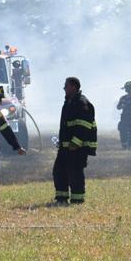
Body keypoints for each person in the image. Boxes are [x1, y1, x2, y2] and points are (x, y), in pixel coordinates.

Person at [54, 77, 98, 205]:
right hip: (65, 147)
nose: (64, 88)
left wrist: (76, 142)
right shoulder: (70, 102)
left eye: (66, 86)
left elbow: (84, 125)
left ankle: (77, 200)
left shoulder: (82, 103)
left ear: (73, 87)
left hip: (77, 147)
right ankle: (61, 198)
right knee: (59, 171)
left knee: (75, 173)